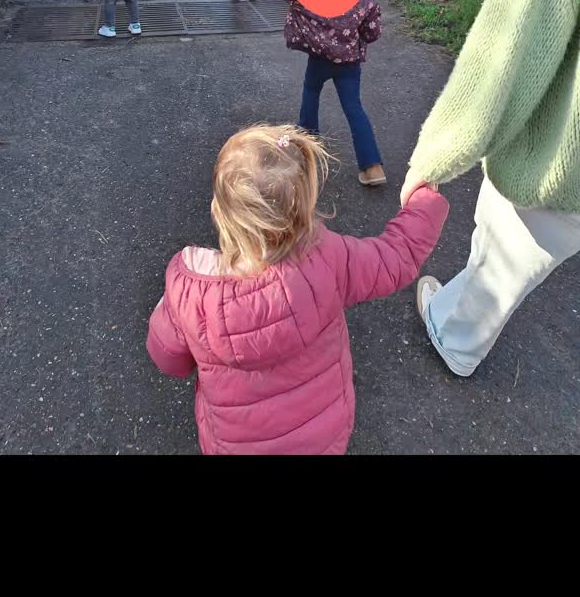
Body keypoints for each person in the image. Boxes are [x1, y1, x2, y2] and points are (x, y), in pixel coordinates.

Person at [400, 0, 580, 378]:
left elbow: (516, 32)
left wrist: (437, 155)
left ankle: (455, 335)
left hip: (563, 159)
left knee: (504, 251)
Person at [147, 123, 448, 455]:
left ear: (218, 211)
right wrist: (424, 200)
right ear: (306, 210)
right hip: (323, 438)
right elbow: (395, 257)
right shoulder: (328, 258)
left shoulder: (190, 293)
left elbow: (169, 359)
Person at [276, 0, 385, 186]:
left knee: (310, 93)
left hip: (319, 58)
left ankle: (307, 151)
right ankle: (373, 167)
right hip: (349, 62)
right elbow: (373, 32)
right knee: (353, 107)